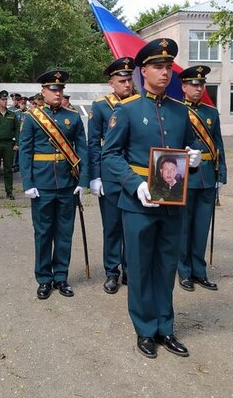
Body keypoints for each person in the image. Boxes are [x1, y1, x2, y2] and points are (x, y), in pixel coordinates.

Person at [102, 38, 202, 360]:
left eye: (168, 66)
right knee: (142, 268)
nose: (165, 72)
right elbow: (111, 155)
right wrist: (134, 183)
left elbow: (186, 150)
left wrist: (194, 158)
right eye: (158, 66)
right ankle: (145, 329)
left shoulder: (180, 112)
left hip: (172, 200)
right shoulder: (127, 111)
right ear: (143, 71)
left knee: (165, 266)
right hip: (138, 203)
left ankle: (165, 327)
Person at [19, 70, 88, 300]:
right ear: (43, 92)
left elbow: (83, 150)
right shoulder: (32, 117)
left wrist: (83, 180)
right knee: (43, 233)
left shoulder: (74, 117)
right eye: (53, 89)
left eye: (60, 90)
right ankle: (44, 279)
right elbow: (26, 152)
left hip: (67, 183)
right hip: (42, 184)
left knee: (64, 233)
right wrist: (28, 182)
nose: (58, 93)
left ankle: (61, 277)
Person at [88, 56, 136, 294]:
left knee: (134, 224)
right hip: (110, 175)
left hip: (136, 174)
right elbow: (94, 144)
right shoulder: (100, 106)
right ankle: (111, 271)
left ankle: (130, 269)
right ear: (111, 83)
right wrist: (95, 176)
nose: (127, 85)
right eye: (122, 80)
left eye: (130, 80)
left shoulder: (140, 103)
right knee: (112, 226)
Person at [176, 65, 227, 293]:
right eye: (194, 85)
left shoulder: (211, 112)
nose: (198, 88)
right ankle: (184, 271)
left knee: (201, 227)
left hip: (207, 177)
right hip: (185, 175)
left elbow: (218, 146)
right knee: (183, 227)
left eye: (201, 84)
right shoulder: (177, 111)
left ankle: (200, 271)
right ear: (184, 87)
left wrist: (220, 175)